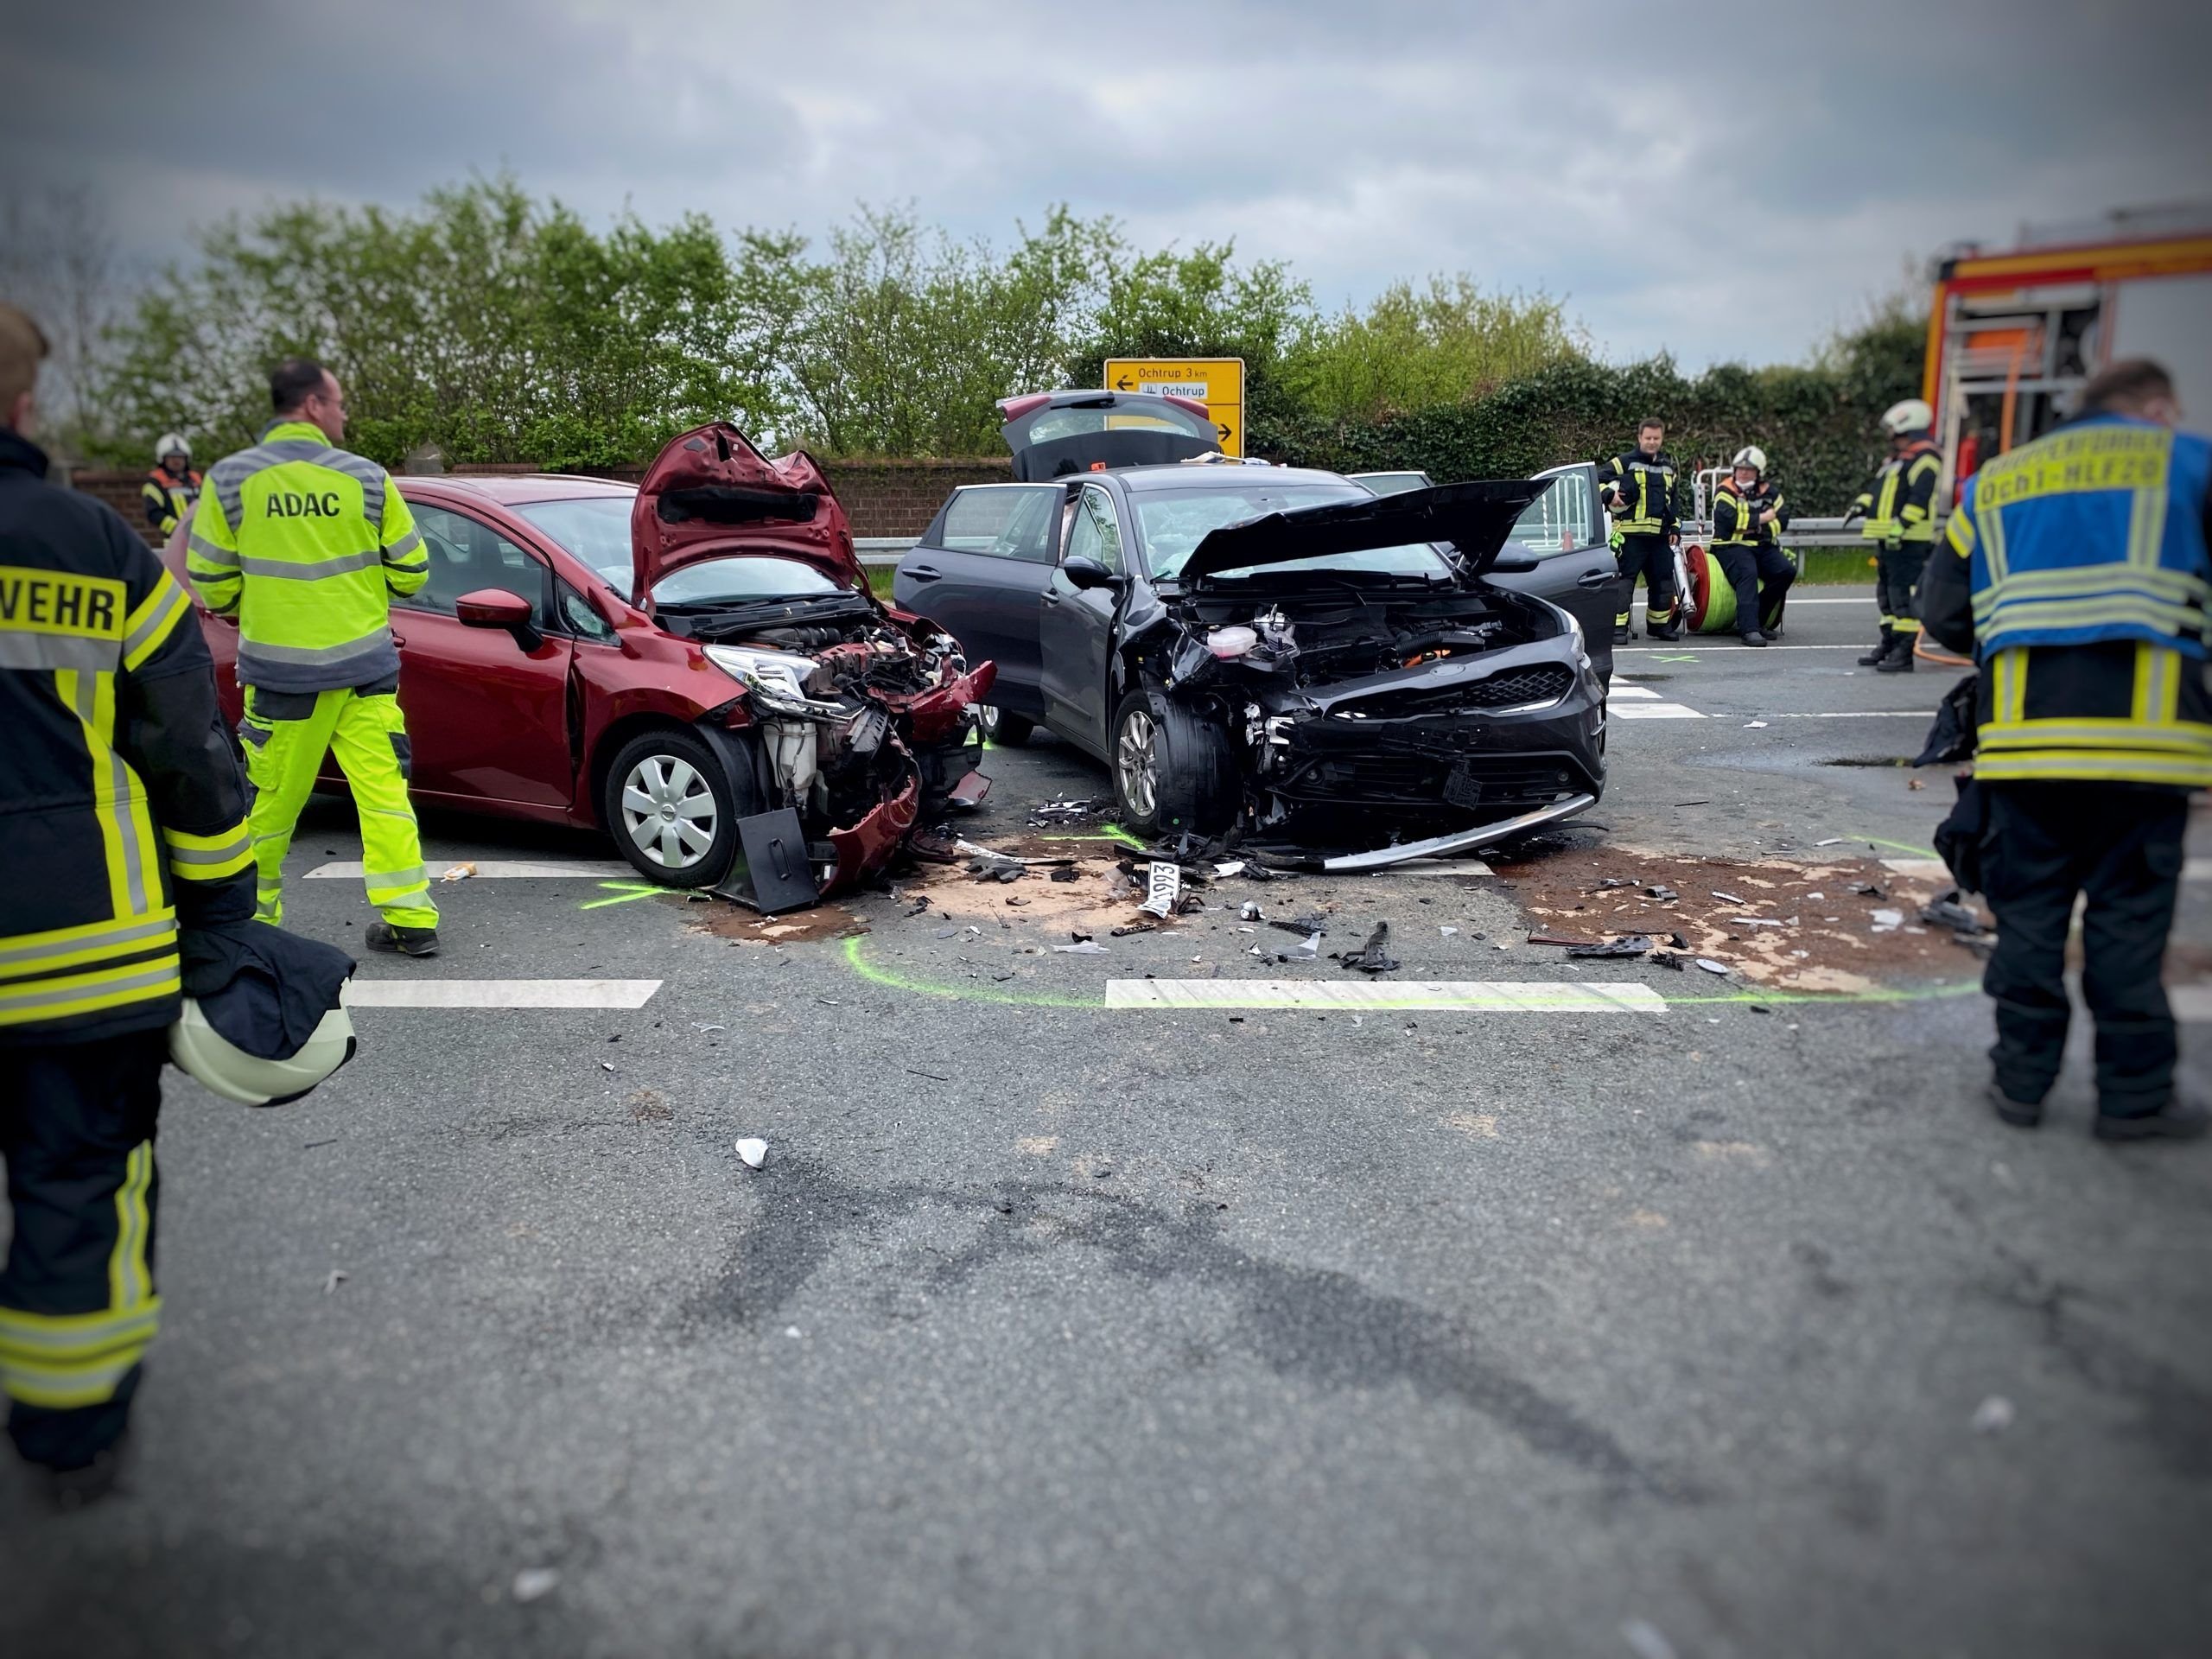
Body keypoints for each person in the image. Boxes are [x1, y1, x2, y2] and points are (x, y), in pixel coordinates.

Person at [0, 301, 257, 1502]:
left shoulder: (161, 506)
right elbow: (192, 754)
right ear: (25, 402)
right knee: (78, 1184)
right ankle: (69, 1443)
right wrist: (221, 917)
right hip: (78, 956)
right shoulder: (92, 550)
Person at [1921, 358, 2210, 1141]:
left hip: (2025, 753)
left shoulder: (1998, 485)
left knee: (2030, 924)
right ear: (2154, 406)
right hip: (2147, 756)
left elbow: (1941, 611)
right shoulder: (2188, 464)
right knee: (2126, 928)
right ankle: (2133, 1100)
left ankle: (2020, 1084)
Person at [186, 357, 441, 955]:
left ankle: (251, 924)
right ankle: (411, 918)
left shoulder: (229, 480)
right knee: (384, 799)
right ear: (311, 406)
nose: (344, 413)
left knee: (269, 807)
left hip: (283, 679)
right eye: (340, 402)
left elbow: (212, 583)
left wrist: (271, 599)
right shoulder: (368, 479)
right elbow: (412, 571)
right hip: (366, 674)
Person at [1848, 398, 1944, 673]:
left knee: (1902, 596)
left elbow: (1920, 498)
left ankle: (1904, 652)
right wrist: (1861, 504)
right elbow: (1877, 489)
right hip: (1889, 538)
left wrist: (1902, 526)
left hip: (1908, 539)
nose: (1890, 436)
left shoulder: (1926, 459)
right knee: (1887, 596)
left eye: (1893, 431)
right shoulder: (1896, 460)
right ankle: (1889, 644)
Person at [1601, 417, 1682, 642]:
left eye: (1656, 438)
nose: (1652, 442)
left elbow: (1672, 501)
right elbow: (1597, 478)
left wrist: (1674, 526)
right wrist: (1610, 495)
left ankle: (1659, 626)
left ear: (1662, 439)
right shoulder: (1624, 462)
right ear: (1639, 438)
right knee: (1625, 582)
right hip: (1630, 536)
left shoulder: (1667, 467)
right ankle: (1617, 629)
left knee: (1663, 581)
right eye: (1648, 438)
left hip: (1659, 537)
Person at [1708, 445, 1795, 646]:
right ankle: (1749, 629)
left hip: (1762, 545)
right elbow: (1729, 522)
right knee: (1747, 572)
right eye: (1740, 468)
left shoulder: (1770, 492)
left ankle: (1758, 619)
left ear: (1759, 472)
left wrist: (1751, 526)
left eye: (1749, 469)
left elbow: (1782, 519)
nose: (1743, 472)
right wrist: (1763, 518)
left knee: (1786, 571)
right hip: (1730, 545)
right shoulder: (1724, 490)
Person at [140, 435, 200, 540]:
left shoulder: (195, 479)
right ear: (163, 459)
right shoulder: (155, 482)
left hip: (199, 538)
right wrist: (179, 529)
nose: (177, 461)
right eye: (172, 457)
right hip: (173, 541)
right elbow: (154, 513)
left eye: (180, 457)